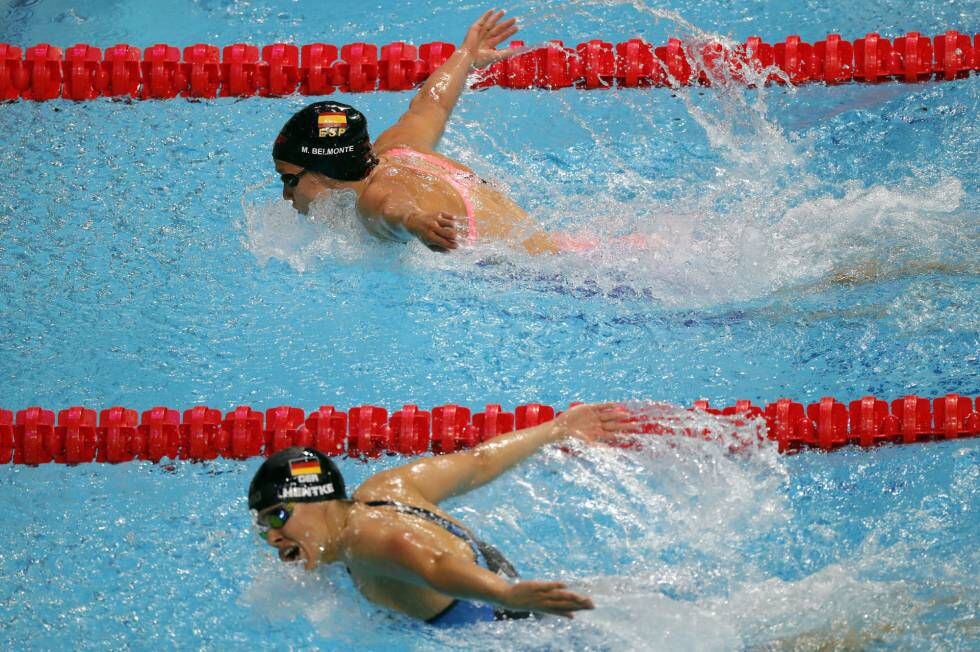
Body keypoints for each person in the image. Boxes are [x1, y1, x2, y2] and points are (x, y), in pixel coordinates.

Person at [248, 402, 637, 626]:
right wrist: (556, 428)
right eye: (262, 525)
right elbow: (478, 461)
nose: (271, 536)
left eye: (278, 517)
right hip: (517, 599)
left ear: (316, 500)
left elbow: (432, 564)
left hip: (511, 630)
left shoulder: (364, 542)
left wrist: (510, 595)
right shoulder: (385, 489)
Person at [272, 10, 568, 254]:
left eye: (289, 180)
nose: (286, 195)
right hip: (563, 248)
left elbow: (392, 207)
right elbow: (432, 104)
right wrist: (466, 55)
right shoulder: (396, 147)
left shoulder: (371, 200)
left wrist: (416, 222)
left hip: (547, 279)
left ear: (326, 171)